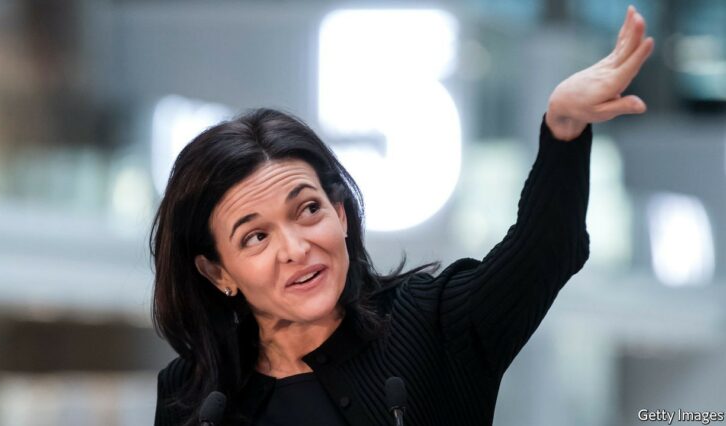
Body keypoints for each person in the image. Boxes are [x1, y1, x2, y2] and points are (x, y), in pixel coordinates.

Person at [152, 5, 654, 426]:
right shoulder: (194, 394)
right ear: (217, 272)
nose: (296, 248)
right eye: (255, 237)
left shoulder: (430, 322)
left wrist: (563, 129)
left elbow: (543, 252)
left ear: (342, 215)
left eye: (307, 209)